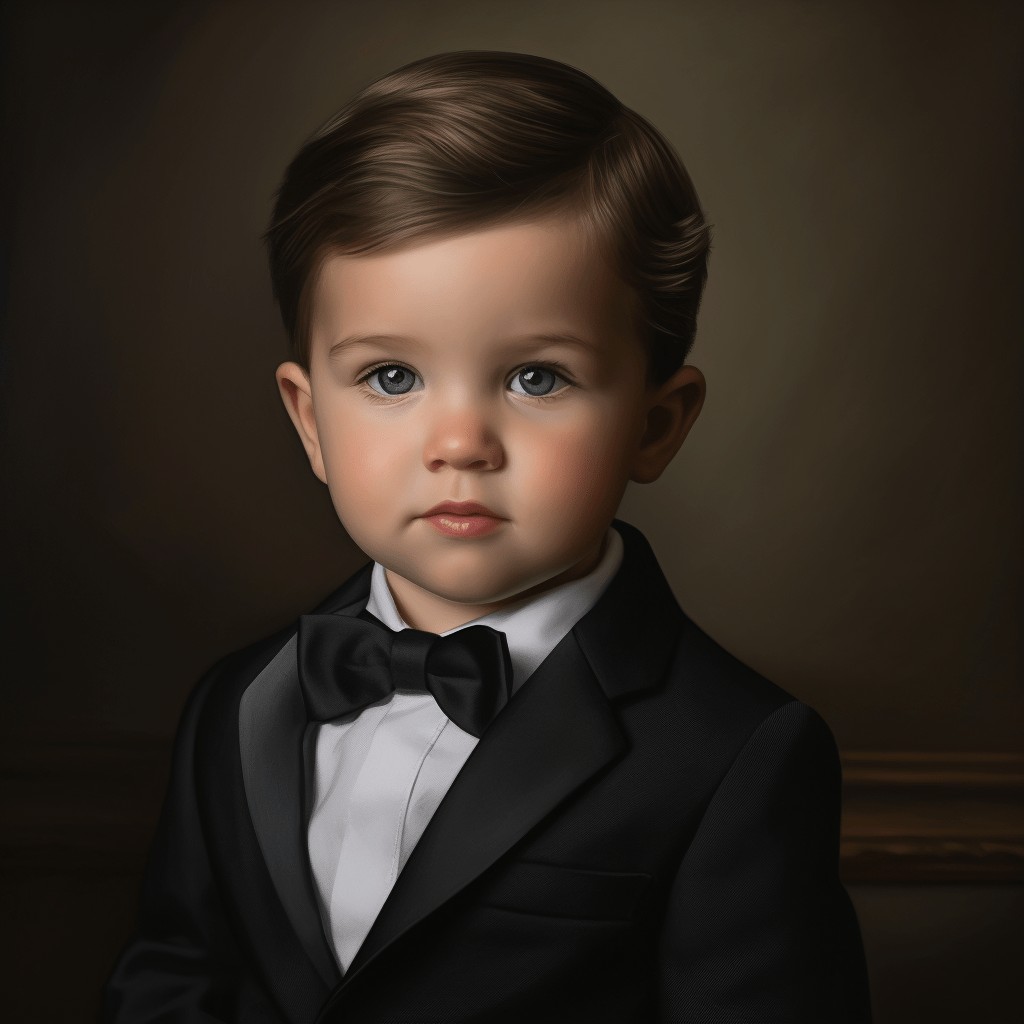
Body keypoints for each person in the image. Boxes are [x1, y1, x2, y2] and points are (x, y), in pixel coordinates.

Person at [102, 51, 871, 1023]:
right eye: (390, 377)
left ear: (655, 423)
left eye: (536, 377)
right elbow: (172, 977)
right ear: (308, 422)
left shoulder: (733, 749)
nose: (459, 443)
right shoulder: (236, 703)